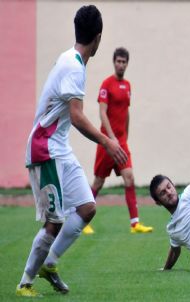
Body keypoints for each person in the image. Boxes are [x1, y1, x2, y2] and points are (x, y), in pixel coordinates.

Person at [17, 5, 128, 297]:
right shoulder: (74, 66)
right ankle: (25, 283)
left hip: (59, 148)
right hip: (45, 148)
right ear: (99, 37)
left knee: (87, 207)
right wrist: (108, 142)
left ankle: (49, 263)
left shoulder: (72, 60)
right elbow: (77, 116)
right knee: (54, 221)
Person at [82, 47, 153, 235]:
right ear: (114, 62)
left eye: (124, 61)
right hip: (107, 142)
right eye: (118, 61)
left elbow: (126, 111)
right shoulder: (106, 84)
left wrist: (125, 136)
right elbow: (102, 113)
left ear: (127, 64)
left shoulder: (128, 85)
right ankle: (82, 220)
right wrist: (111, 138)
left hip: (121, 142)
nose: (121, 64)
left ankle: (135, 224)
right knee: (98, 182)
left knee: (129, 177)